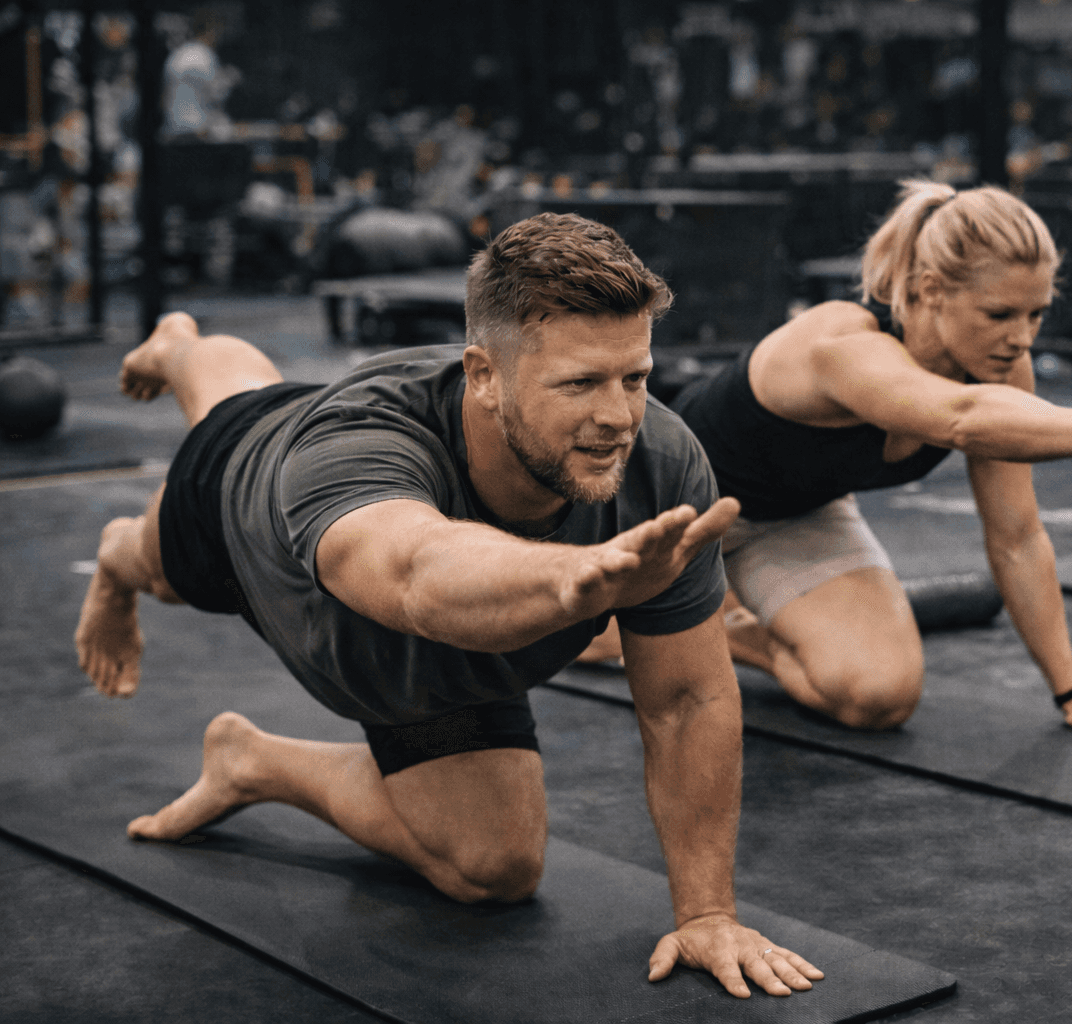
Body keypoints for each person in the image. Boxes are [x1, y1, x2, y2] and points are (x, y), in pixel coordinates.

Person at [71, 213, 821, 999]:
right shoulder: (354, 445)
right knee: (198, 466)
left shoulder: (661, 467)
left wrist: (705, 913)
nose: (618, 416)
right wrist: (569, 579)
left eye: (633, 377)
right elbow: (412, 570)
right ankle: (179, 352)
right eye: (578, 383)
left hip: (429, 674)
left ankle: (250, 762)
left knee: (494, 867)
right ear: (485, 375)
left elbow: (687, 698)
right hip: (240, 513)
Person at [587, 180, 1072, 735]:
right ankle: (650, 610)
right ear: (931, 289)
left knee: (880, 695)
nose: (1021, 338)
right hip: (663, 511)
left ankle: (724, 624)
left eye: (1037, 314)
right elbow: (958, 418)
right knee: (560, 636)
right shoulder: (843, 343)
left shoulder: (1003, 373)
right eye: (999, 313)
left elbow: (1016, 535)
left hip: (788, 516)